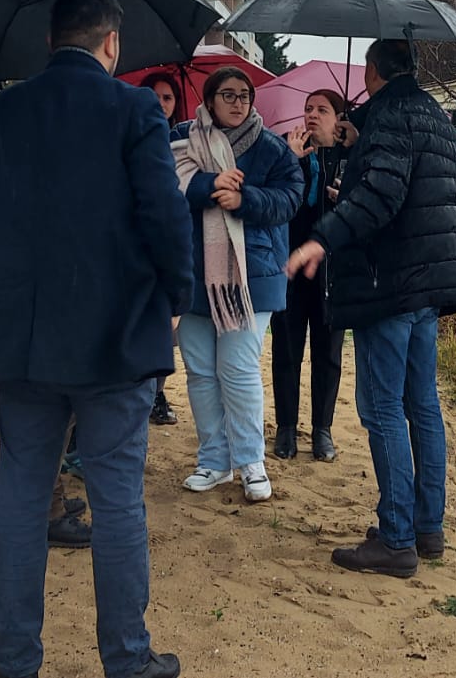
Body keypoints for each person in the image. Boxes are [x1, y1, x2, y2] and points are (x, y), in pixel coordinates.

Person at [0, 0, 189, 678]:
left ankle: (15, 656)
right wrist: (175, 296)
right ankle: (127, 658)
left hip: (22, 339)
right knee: (117, 496)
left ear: (49, 40)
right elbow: (164, 216)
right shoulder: (135, 108)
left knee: (21, 494)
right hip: (114, 332)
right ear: (111, 42)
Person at [286, 40, 456, 580]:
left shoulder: (390, 115)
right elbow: (411, 188)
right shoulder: (432, 113)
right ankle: (425, 527)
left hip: (388, 283)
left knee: (383, 408)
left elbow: (383, 196)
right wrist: (356, 140)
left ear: (371, 70)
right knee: (422, 405)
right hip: (429, 281)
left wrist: (324, 236)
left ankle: (395, 539)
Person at [172, 68, 304, 503]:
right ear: (209, 100)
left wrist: (244, 200)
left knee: (238, 369)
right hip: (193, 271)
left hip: (252, 275)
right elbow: (164, 186)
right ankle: (214, 459)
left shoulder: (270, 148)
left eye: (244, 95)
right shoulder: (183, 138)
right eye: (227, 95)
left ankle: (251, 462)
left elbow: (290, 197)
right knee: (201, 372)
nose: (237, 102)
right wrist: (210, 186)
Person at [274, 88, 350, 462]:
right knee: (286, 349)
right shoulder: (290, 155)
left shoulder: (348, 159)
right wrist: (291, 162)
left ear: (338, 119)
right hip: (291, 265)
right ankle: (286, 427)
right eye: (308, 109)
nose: (312, 115)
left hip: (331, 271)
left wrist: (344, 198)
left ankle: (323, 429)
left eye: (322, 110)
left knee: (328, 353)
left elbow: (363, 212)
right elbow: (278, 201)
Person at [139, 71, 182, 428]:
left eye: (168, 98)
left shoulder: (184, 141)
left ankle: (157, 393)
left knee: (165, 333)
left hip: (169, 242)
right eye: (154, 96)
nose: (161, 103)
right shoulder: (129, 134)